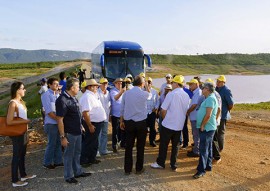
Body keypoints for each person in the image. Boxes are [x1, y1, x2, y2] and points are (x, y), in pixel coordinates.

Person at [56, 78, 91, 184]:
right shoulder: (62, 100)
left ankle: (78, 171)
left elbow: (77, 114)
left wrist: (81, 125)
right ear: (72, 88)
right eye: (78, 86)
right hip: (69, 133)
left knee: (77, 153)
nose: (79, 88)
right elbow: (60, 120)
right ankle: (68, 176)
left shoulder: (73, 98)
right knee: (68, 155)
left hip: (77, 131)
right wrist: (63, 137)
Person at [151, 75, 190, 171]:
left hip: (168, 124)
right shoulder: (186, 96)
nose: (171, 84)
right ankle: (173, 165)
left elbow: (163, 110)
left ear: (176, 84)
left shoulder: (171, 94)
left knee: (164, 145)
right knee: (175, 146)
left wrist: (165, 120)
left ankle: (161, 163)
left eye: (172, 83)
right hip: (179, 125)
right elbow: (186, 110)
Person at [6, 81, 36, 187]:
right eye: (23, 88)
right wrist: (25, 121)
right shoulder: (13, 103)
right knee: (16, 155)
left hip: (23, 132)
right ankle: (15, 180)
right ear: (17, 90)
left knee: (22, 154)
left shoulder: (21, 102)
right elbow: (9, 121)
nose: (25, 90)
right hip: (16, 133)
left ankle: (23, 175)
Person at [120, 75, 151, 175]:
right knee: (140, 147)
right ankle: (139, 169)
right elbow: (150, 94)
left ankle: (127, 169)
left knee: (129, 147)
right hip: (141, 123)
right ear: (142, 84)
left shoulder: (126, 94)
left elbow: (122, 108)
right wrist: (147, 86)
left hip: (129, 123)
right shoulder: (144, 94)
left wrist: (121, 121)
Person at [193, 82, 218, 179]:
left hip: (207, 128)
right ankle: (208, 166)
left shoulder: (211, 98)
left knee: (203, 149)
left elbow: (208, 115)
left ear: (207, 89)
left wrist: (203, 125)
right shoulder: (209, 98)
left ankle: (201, 170)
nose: (202, 89)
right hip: (208, 127)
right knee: (208, 147)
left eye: (203, 88)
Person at [79, 79, 106, 166]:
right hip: (92, 123)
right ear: (90, 87)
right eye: (95, 86)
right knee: (88, 141)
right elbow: (85, 112)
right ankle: (84, 160)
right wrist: (90, 125)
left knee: (94, 141)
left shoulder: (92, 95)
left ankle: (92, 158)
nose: (97, 87)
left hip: (96, 122)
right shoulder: (87, 96)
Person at [41, 77, 63, 169]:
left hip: (57, 122)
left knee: (58, 142)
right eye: (55, 84)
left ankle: (58, 161)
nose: (57, 85)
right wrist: (58, 120)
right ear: (49, 85)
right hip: (51, 123)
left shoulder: (57, 95)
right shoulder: (46, 95)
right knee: (51, 143)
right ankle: (47, 162)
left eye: (58, 84)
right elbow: (49, 112)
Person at [215, 75, 234, 153]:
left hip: (222, 115)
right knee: (216, 131)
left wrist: (226, 111)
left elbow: (231, 104)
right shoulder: (216, 89)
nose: (218, 83)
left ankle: (220, 148)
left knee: (220, 132)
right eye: (217, 81)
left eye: (220, 81)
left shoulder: (226, 90)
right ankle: (216, 147)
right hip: (216, 115)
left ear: (224, 82)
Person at [186, 79, 202, 157]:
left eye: (191, 84)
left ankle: (196, 151)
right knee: (196, 134)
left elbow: (194, 105)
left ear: (196, 84)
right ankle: (196, 148)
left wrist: (188, 111)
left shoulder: (197, 93)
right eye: (189, 84)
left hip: (195, 117)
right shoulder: (196, 92)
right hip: (195, 116)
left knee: (196, 134)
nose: (190, 86)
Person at [110, 78, 126, 152]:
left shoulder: (124, 91)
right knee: (115, 130)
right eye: (118, 83)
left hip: (122, 115)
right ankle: (114, 145)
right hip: (115, 115)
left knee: (122, 130)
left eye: (121, 83)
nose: (120, 84)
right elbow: (115, 98)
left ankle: (122, 143)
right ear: (115, 84)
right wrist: (121, 92)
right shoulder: (113, 91)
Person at [97, 78, 112, 155]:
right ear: (100, 84)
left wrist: (110, 115)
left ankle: (103, 149)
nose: (105, 85)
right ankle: (97, 151)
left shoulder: (108, 93)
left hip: (106, 116)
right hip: (99, 117)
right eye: (103, 83)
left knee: (104, 133)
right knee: (98, 134)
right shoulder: (97, 92)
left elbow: (109, 104)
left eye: (106, 83)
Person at [146, 77, 159, 147]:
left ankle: (152, 141)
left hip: (152, 112)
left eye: (149, 82)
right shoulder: (142, 91)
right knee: (143, 128)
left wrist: (156, 108)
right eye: (147, 82)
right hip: (144, 113)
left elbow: (158, 101)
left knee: (152, 128)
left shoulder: (155, 92)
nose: (148, 84)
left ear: (151, 83)